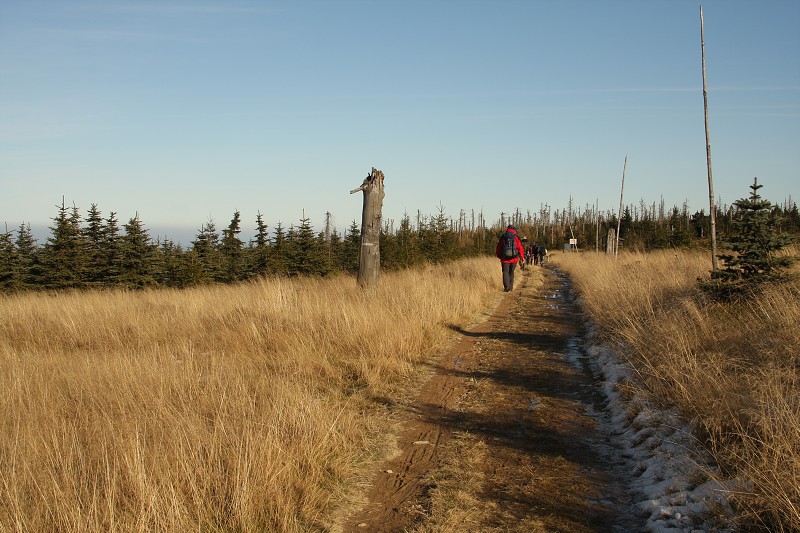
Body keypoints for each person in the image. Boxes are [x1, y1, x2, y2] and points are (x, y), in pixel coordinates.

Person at [495, 225, 526, 292]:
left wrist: (499, 256)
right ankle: (511, 287)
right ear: (514, 229)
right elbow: (520, 248)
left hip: (505, 259)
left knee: (505, 272)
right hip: (514, 259)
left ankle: (507, 288)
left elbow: (499, 248)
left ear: (507, 229)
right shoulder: (516, 237)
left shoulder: (503, 236)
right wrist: (522, 257)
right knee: (511, 272)